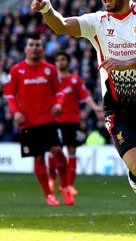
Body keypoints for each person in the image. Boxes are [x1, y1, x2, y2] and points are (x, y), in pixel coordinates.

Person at [29, 0, 136, 241]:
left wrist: (126, 62)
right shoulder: (97, 22)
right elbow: (61, 25)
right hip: (120, 109)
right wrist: (47, 8)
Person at [3, 33, 74, 206]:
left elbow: (59, 91)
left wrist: (59, 104)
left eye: (38, 45)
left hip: (48, 118)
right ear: (26, 49)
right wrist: (16, 112)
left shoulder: (50, 69)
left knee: (57, 150)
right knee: (39, 158)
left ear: (42, 49)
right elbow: (9, 93)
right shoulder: (16, 70)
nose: (34, 48)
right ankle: (49, 194)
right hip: (28, 121)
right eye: (31, 45)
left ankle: (64, 186)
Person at [48, 51, 102, 196]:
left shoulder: (75, 79)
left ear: (68, 62)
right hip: (54, 120)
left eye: (63, 59)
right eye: (58, 60)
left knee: (72, 151)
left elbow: (85, 97)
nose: (61, 62)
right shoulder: (51, 81)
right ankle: (52, 179)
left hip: (72, 120)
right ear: (55, 63)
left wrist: (96, 108)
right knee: (54, 150)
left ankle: (69, 185)